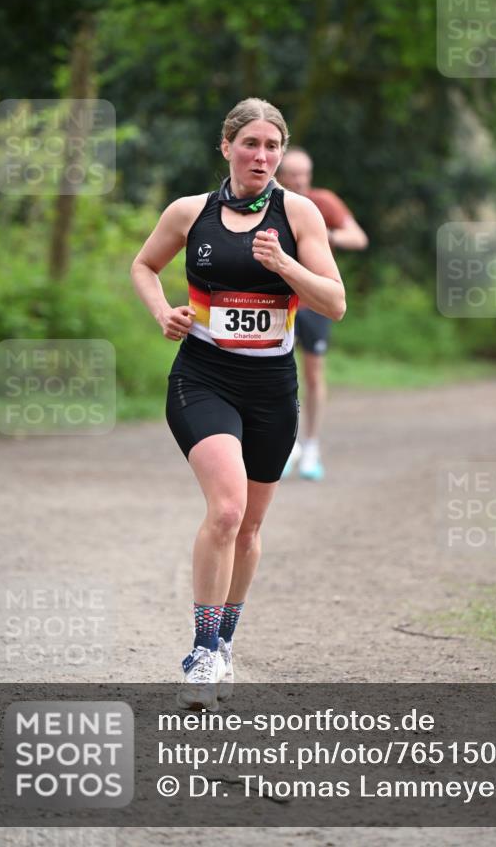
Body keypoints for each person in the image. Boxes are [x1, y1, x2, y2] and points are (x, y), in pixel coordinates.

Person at [130, 99, 345, 707]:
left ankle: (225, 640)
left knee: (249, 529)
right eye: (250, 143)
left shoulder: (298, 213)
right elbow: (145, 266)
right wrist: (161, 312)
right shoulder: (190, 213)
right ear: (226, 147)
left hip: (272, 389)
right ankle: (201, 651)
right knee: (225, 511)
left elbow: (334, 302)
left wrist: (285, 266)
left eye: (272, 147)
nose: (262, 156)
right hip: (202, 378)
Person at [276, 147, 368, 480]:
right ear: (279, 173)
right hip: (275, 300)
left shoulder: (322, 203)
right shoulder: (266, 202)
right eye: (292, 174)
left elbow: (358, 237)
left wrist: (324, 235)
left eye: (304, 174)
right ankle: (287, 445)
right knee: (277, 373)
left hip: (313, 302)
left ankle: (311, 445)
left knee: (313, 374)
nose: (299, 180)